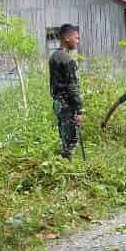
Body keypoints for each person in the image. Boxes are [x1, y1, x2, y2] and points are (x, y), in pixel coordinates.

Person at [49, 23, 83, 159]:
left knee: (64, 138)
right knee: (70, 142)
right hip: (67, 105)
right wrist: (79, 110)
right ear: (67, 38)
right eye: (76, 37)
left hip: (58, 103)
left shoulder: (54, 56)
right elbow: (72, 86)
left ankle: (63, 166)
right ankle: (68, 172)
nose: (78, 41)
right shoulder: (67, 59)